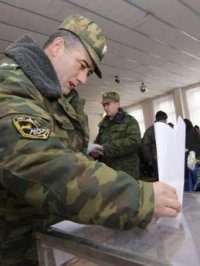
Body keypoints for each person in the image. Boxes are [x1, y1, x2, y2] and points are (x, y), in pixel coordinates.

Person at [0, 13, 180, 265]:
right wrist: (139, 198)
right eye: (82, 65)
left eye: (89, 71)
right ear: (58, 47)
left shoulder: (60, 98)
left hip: (51, 238)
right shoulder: (11, 84)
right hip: (15, 247)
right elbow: (41, 164)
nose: (84, 79)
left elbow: (72, 158)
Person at [90, 91, 141, 179]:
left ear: (117, 104)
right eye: (104, 105)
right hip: (108, 171)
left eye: (108, 104)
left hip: (126, 172)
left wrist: (106, 148)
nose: (105, 108)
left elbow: (134, 142)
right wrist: (94, 151)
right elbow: (98, 142)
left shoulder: (129, 121)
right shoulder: (104, 124)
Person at [140, 110, 168, 181]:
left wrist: (150, 160)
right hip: (158, 160)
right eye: (165, 120)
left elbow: (145, 146)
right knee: (162, 179)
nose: (165, 122)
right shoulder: (167, 128)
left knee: (161, 179)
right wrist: (150, 160)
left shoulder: (150, 130)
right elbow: (145, 146)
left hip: (158, 159)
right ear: (164, 119)